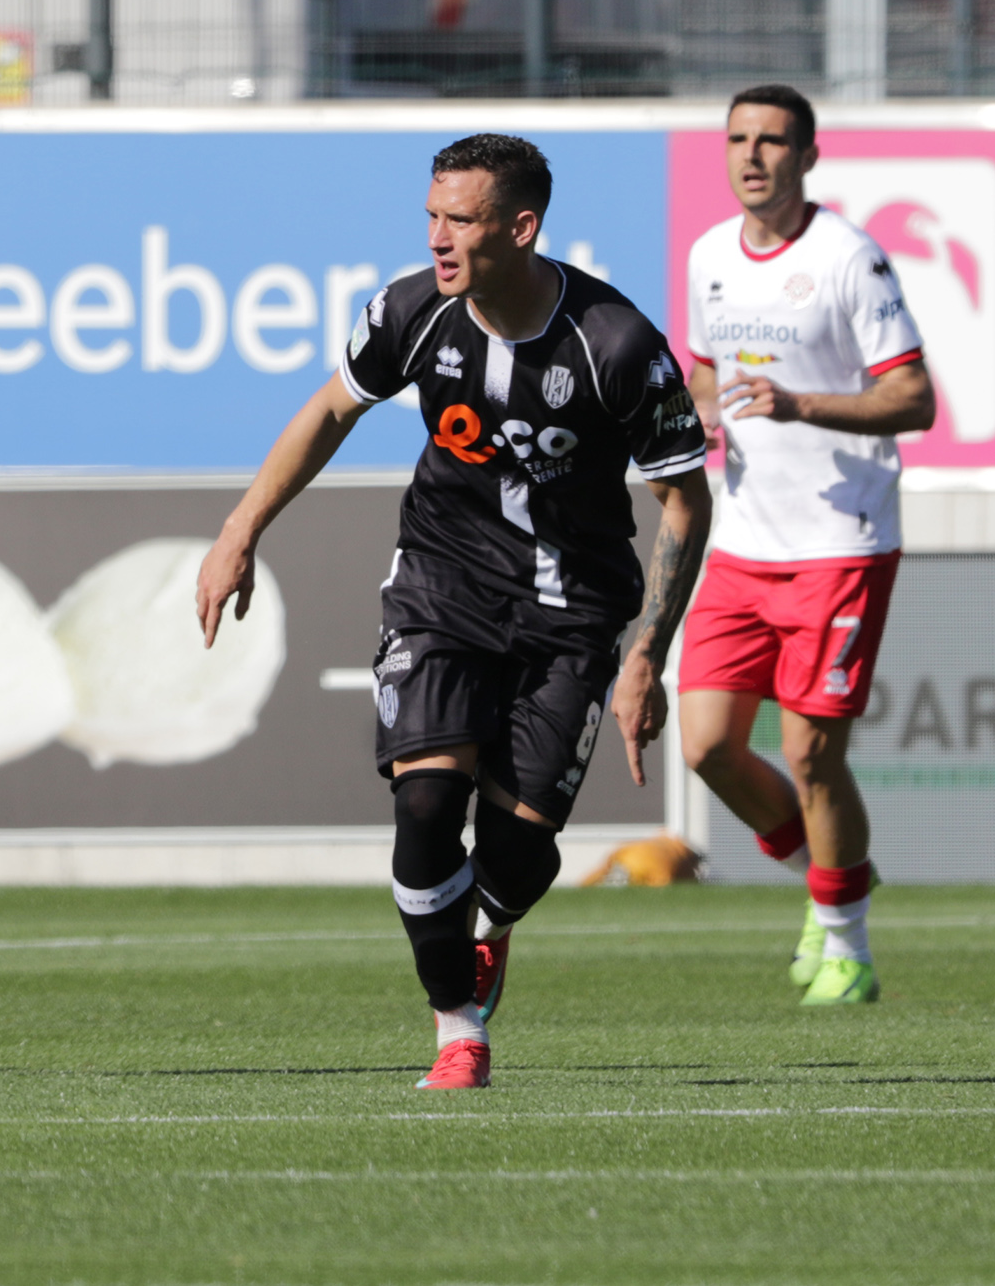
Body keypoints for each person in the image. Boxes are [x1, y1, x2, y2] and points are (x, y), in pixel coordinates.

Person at [196, 134, 710, 1091]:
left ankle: (494, 924)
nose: (438, 238)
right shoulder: (410, 311)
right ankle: (458, 1030)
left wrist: (646, 653)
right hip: (442, 587)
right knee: (427, 803)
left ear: (521, 227)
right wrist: (239, 530)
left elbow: (684, 499)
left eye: (461, 220)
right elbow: (330, 410)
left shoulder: (616, 344)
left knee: (515, 854)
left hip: (572, 613)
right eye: (431, 215)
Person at [678, 85, 934, 1007]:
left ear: (808, 156)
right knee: (706, 746)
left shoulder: (847, 257)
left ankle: (848, 948)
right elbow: (705, 370)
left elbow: (914, 398)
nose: (753, 155)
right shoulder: (710, 253)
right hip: (743, 541)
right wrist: (701, 411)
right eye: (739, 138)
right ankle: (827, 882)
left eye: (773, 140)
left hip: (839, 542)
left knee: (813, 753)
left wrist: (800, 404)